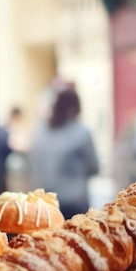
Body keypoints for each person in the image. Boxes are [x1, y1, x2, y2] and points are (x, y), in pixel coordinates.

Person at [28, 88, 99, 219]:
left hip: (42, 205)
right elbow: (94, 168)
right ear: (74, 109)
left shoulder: (39, 131)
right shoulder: (81, 132)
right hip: (74, 204)